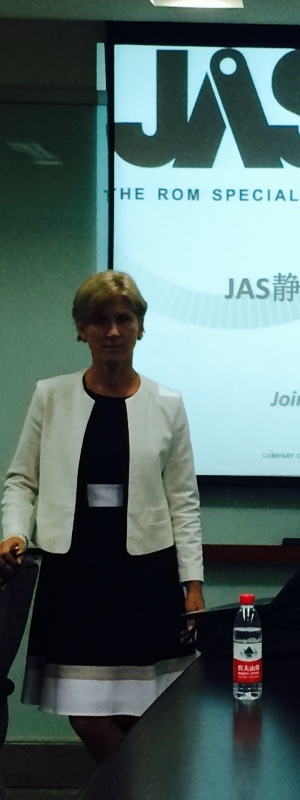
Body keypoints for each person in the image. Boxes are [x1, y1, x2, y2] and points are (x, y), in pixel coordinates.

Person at [0, 270, 205, 763]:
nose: (112, 331)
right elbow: (21, 480)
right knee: (87, 714)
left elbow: (183, 500)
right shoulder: (51, 396)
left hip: (147, 574)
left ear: (140, 327)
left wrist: (193, 584)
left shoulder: (168, 404)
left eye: (123, 319)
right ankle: (141, 795)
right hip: (75, 576)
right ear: (81, 329)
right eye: (99, 320)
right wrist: (14, 532)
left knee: (144, 712)